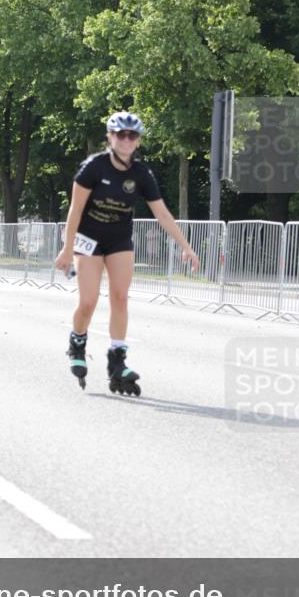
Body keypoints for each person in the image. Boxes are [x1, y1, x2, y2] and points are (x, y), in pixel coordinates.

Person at [55, 112, 200, 395]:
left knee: (120, 298)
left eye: (132, 136)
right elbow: (75, 210)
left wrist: (186, 246)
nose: (126, 140)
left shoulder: (141, 173)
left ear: (138, 140)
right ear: (110, 137)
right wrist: (66, 248)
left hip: (119, 239)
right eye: (120, 135)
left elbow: (162, 214)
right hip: (89, 239)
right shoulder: (93, 167)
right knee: (88, 301)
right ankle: (78, 341)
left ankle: (117, 361)